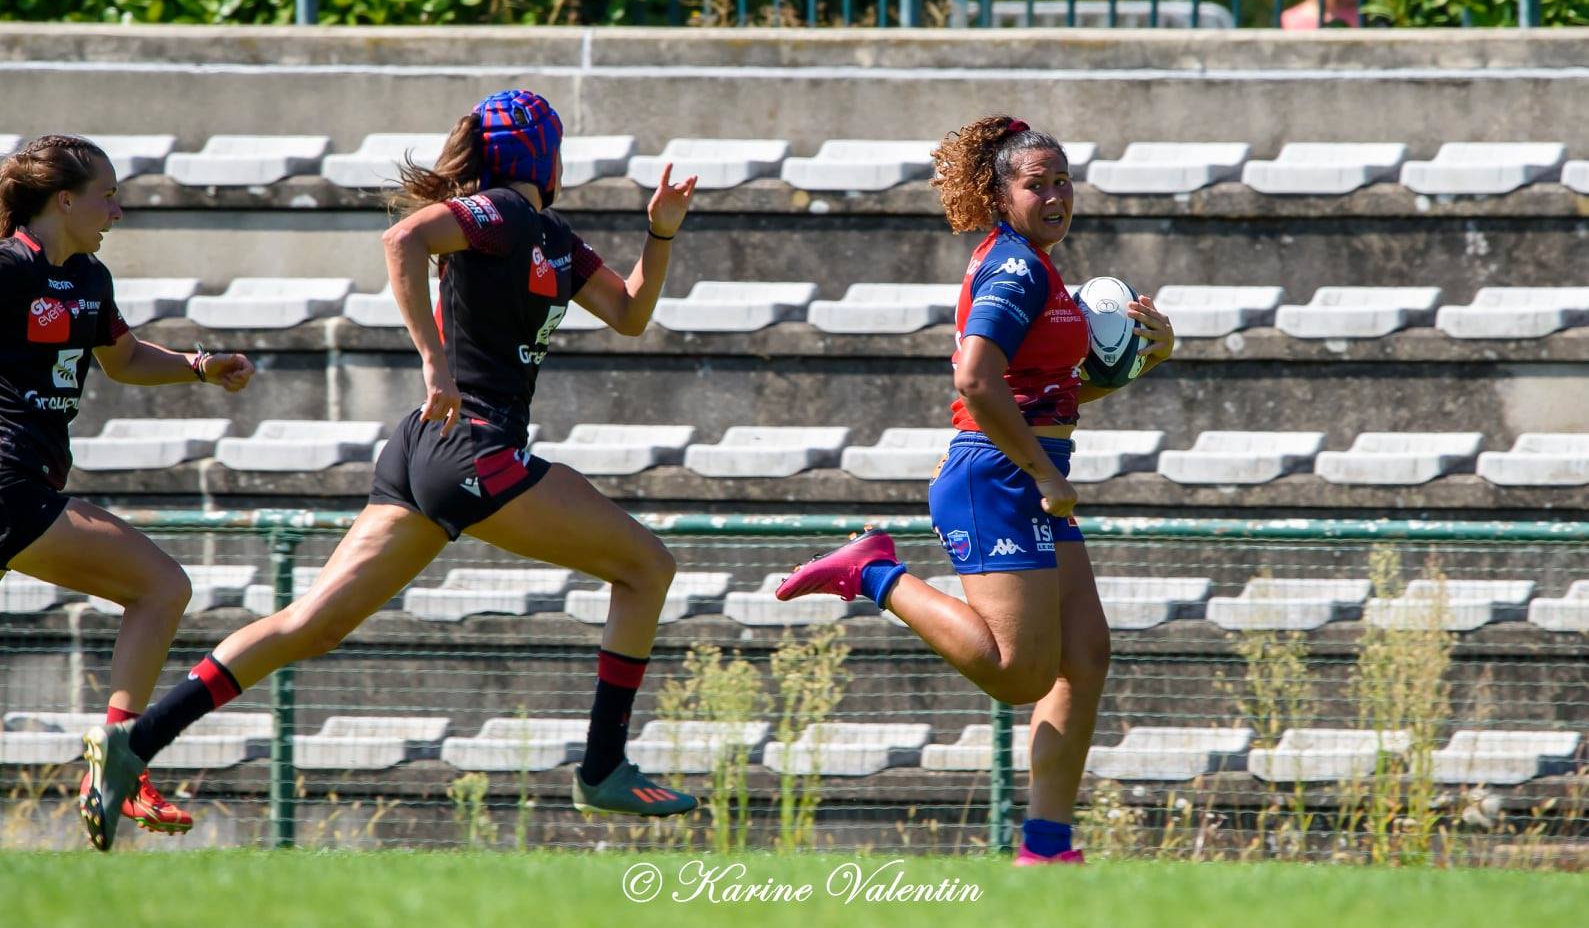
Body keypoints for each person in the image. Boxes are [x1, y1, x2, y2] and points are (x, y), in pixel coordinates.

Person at [79, 90, 701, 852]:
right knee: (645, 566)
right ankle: (603, 765)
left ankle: (134, 742)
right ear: (546, 153)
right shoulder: (501, 211)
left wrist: (658, 232)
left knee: (312, 624)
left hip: (427, 451)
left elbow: (631, 312)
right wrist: (434, 361)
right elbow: (404, 238)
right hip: (474, 445)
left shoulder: (549, 236)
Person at [776, 116, 1175, 865]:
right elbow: (972, 379)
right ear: (998, 193)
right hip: (994, 475)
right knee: (1017, 672)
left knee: (1084, 653)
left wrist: (1146, 358)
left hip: (1017, 467)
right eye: (1036, 183)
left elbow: (1050, 392)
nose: (1055, 195)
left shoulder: (1040, 267)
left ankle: (1047, 848)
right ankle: (873, 571)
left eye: (1062, 181)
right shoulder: (1015, 269)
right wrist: (1042, 473)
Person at [0, 134, 255, 842]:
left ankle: (119, 761)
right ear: (66, 199)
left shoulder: (87, 278)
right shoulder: (5, 270)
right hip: (10, 486)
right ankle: (120, 761)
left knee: (159, 587)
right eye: (108, 194)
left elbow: (126, 358)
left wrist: (203, 366)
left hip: (28, 489)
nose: (117, 209)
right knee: (161, 586)